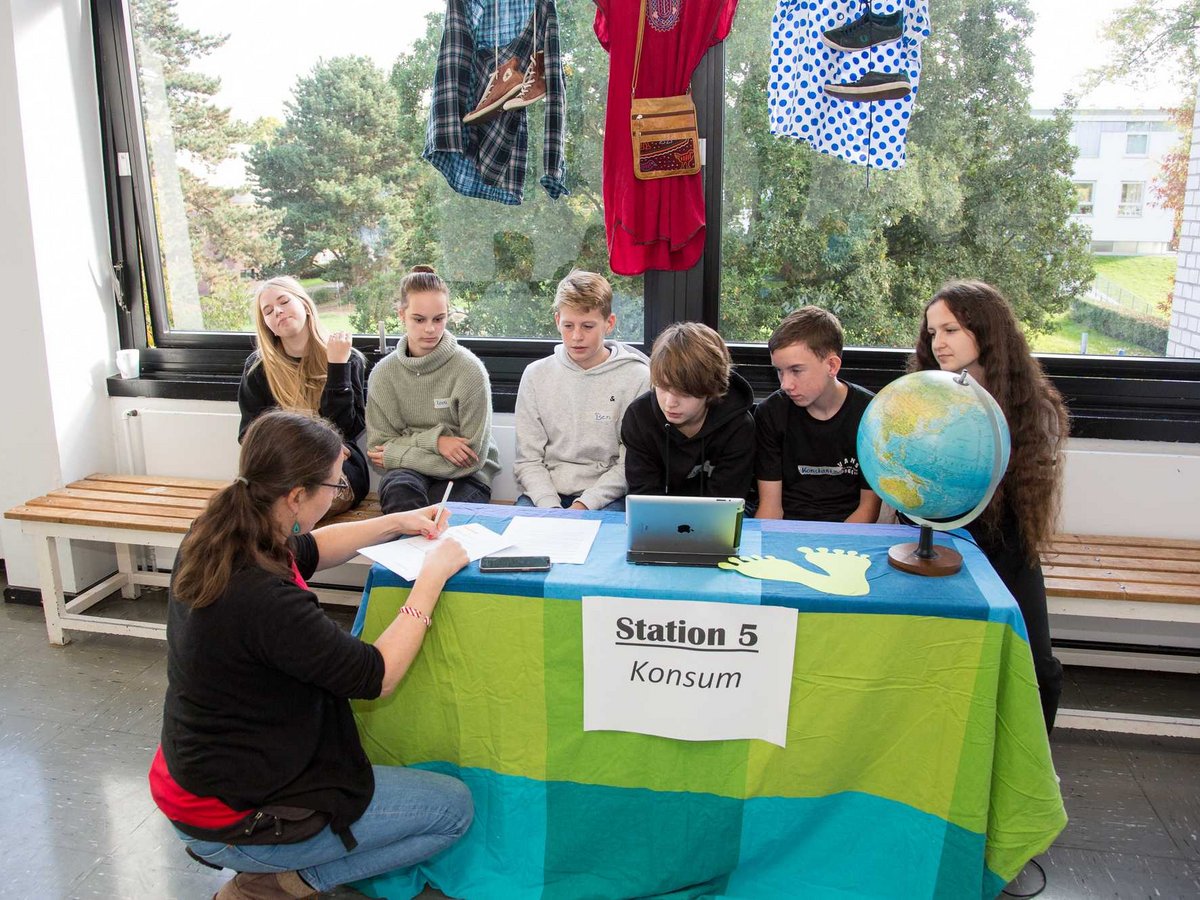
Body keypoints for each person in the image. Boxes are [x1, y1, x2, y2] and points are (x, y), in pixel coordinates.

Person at [149, 410, 473, 900]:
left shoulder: (219, 532)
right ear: (297, 496)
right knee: (453, 810)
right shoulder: (265, 601)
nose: (340, 491)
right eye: (337, 486)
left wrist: (395, 522)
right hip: (235, 811)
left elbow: (311, 549)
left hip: (194, 779)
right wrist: (432, 577)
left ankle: (273, 873)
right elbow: (378, 674)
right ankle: (280, 883)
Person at [911, 280, 1069, 731]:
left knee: (1039, 670)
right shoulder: (922, 399)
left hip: (1006, 543)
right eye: (932, 332)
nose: (938, 342)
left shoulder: (1028, 404)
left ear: (987, 332)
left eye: (951, 330)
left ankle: (1034, 777)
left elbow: (1023, 499)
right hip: (938, 541)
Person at [513, 269, 651, 510]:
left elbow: (630, 462)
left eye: (588, 326)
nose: (576, 336)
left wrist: (584, 505)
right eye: (568, 325)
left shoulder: (637, 377)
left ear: (609, 323)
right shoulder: (535, 375)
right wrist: (550, 507)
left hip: (607, 497)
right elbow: (528, 459)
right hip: (546, 495)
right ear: (557, 321)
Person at [367, 266, 500, 514]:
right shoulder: (383, 374)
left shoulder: (470, 370)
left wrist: (397, 453)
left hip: (467, 474)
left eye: (439, 319)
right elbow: (378, 449)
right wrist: (436, 442)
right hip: (408, 472)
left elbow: (471, 458)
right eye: (419, 319)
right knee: (400, 497)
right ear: (401, 315)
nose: (430, 329)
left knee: (441, 514)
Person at [239, 276, 368, 515]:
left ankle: (294, 546)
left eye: (284, 301)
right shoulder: (258, 368)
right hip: (283, 470)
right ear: (265, 323)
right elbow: (249, 434)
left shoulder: (347, 358)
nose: (277, 311)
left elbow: (345, 429)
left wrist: (337, 367)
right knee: (240, 510)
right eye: (267, 311)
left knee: (291, 509)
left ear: (305, 305)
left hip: (336, 470)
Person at [754, 306, 881, 523]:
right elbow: (771, 508)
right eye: (779, 371)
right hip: (788, 528)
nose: (785, 384)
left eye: (796, 370)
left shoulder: (872, 414)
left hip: (848, 531)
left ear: (832, 365)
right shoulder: (770, 413)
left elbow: (868, 510)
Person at [621, 321, 755, 499]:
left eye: (684, 393)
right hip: (658, 519)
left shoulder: (738, 426)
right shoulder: (639, 418)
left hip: (715, 521)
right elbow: (644, 496)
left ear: (710, 388)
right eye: (662, 387)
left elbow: (726, 502)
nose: (670, 403)